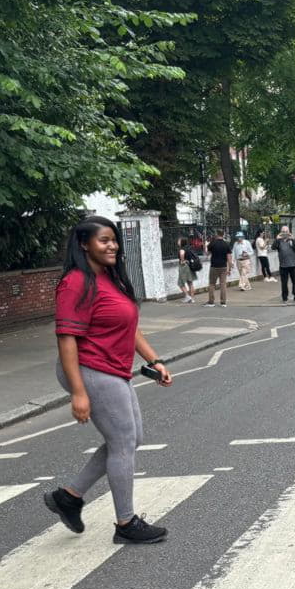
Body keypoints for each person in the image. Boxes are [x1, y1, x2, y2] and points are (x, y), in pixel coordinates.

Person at [43, 215, 173, 545]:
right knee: (123, 442)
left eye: (114, 239)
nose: (112, 245)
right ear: (84, 244)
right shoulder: (75, 282)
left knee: (130, 439)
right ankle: (126, 523)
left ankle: (69, 497)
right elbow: (66, 338)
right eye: (104, 240)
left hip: (113, 368)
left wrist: (154, 360)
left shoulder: (110, 278)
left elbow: (129, 327)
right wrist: (78, 392)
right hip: (90, 369)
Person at [205, 232, 231, 306]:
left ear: (217, 234)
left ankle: (211, 302)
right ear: (223, 235)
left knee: (212, 284)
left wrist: (206, 246)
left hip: (214, 266)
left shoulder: (212, 243)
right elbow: (229, 257)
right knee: (223, 284)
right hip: (223, 266)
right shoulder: (226, 244)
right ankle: (223, 302)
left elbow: (207, 254)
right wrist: (229, 268)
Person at [276, 227, 295, 302]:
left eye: (286, 231)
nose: (285, 233)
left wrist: (293, 239)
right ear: (281, 232)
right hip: (283, 265)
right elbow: (273, 247)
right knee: (284, 283)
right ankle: (284, 297)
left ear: (289, 232)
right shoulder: (279, 241)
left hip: (293, 265)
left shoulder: (291, 240)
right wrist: (277, 239)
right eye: (283, 231)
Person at [176, 238, 197, 303]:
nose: (178, 242)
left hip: (184, 267)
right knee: (190, 283)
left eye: (179, 241)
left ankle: (187, 297)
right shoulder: (188, 248)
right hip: (190, 266)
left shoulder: (182, 249)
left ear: (182, 242)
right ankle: (192, 299)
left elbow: (182, 254)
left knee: (180, 283)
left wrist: (182, 261)